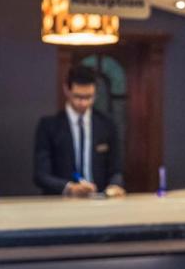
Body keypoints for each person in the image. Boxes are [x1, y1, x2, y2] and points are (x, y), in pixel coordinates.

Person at [33, 66, 126, 197]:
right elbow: (41, 175)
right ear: (67, 90)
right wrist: (69, 187)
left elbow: (116, 170)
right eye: (78, 97)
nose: (83, 103)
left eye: (89, 97)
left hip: (99, 202)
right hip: (60, 204)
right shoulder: (49, 126)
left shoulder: (107, 125)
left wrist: (115, 186)